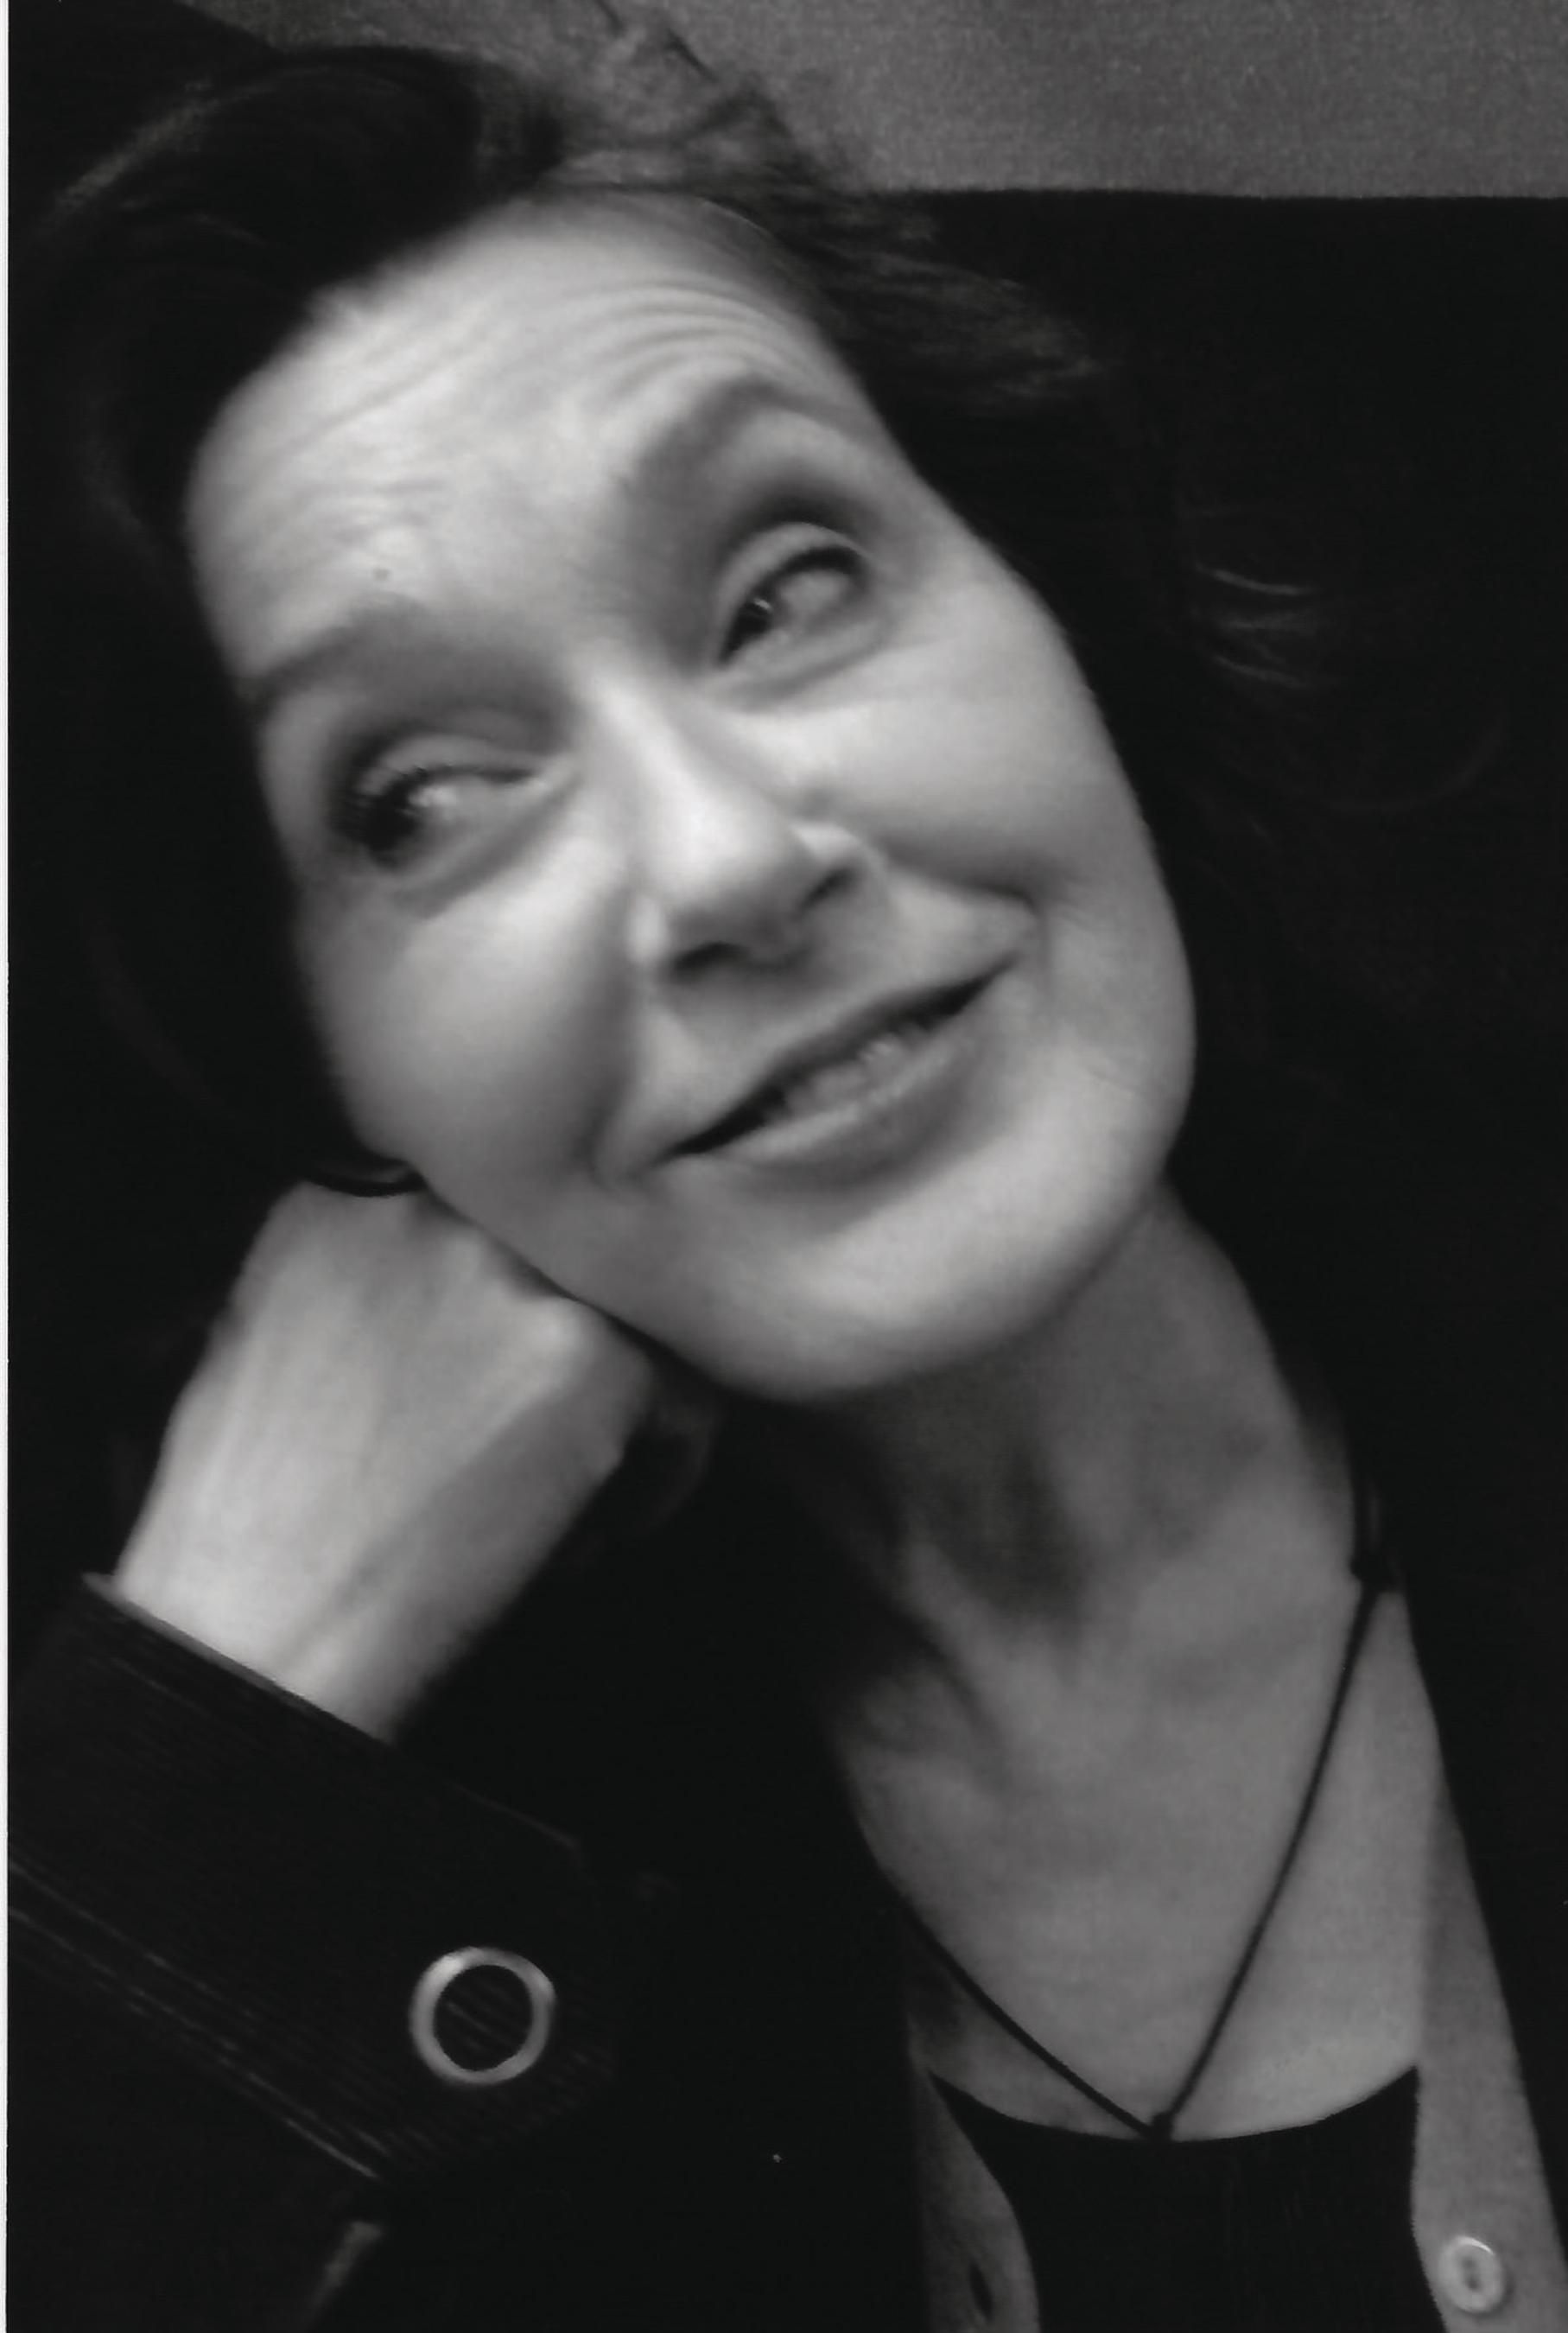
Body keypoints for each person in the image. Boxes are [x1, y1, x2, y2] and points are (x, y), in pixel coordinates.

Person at [11, 25, 1565, 2333]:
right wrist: (226, 1702)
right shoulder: (442, 1795)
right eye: (423, 797)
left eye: (786, 589)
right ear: (313, 1068)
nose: (730, 858)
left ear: (1057, 616)